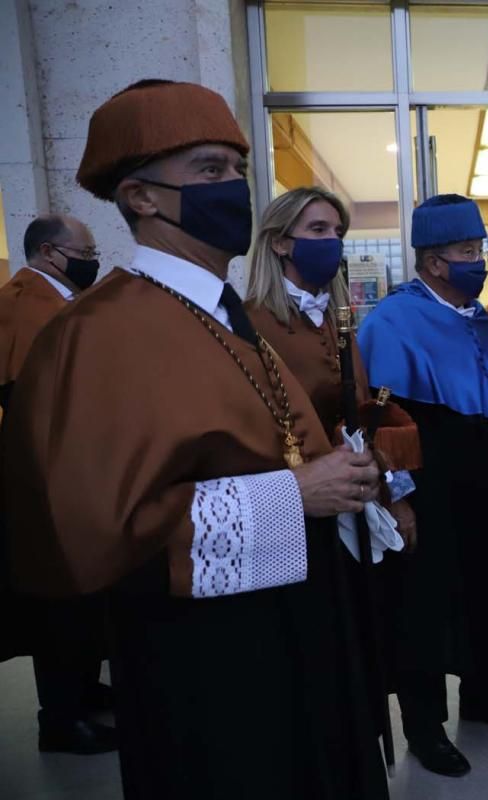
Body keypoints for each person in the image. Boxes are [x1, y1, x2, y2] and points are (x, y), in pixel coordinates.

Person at [1, 79, 389, 799]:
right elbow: (92, 532)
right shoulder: (98, 333)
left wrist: (334, 472)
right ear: (141, 198)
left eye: (239, 170)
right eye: (209, 170)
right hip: (207, 659)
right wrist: (295, 493)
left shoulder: (219, 308)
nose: (235, 188)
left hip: (298, 621)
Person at [358, 194, 488, 778]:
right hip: (429, 485)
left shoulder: (477, 317)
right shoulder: (392, 320)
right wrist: (398, 496)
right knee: (423, 605)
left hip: (482, 480)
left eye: (479, 250)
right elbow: (382, 422)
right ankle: (425, 727)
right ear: (433, 262)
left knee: (485, 586)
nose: (478, 261)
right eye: (467, 251)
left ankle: (485, 696)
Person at [0, 214, 114, 755]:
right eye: (86, 250)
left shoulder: (60, 301)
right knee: (57, 604)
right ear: (49, 252)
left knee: (83, 597)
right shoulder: (24, 305)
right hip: (47, 485)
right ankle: (61, 719)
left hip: (76, 477)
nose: (94, 260)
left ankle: (85, 694)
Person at [243, 186, 420, 533]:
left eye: (337, 232)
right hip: (298, 511)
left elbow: (368, 420)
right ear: (280, 243)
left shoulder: (337, 322)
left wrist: (397, 495)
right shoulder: (251, 325)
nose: (332, 241)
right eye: (318, 229)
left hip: (358, 500)